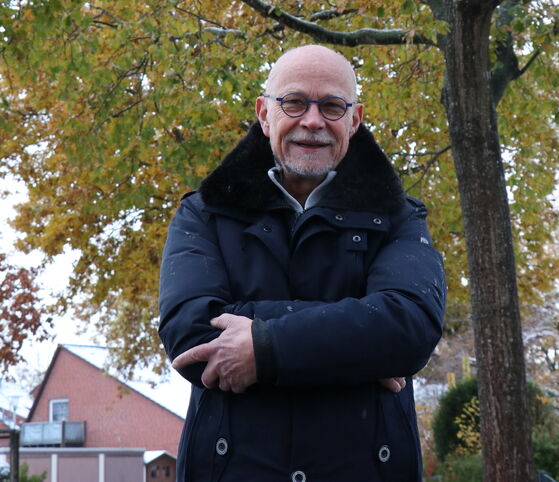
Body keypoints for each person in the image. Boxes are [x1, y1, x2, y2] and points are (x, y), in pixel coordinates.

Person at [158, 45, 447, 481]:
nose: (313, 121)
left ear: (354, 119)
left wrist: (266, 346)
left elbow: (410, 328)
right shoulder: (204, 214)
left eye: (332, 106)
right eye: (293, 102)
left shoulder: (399, 218)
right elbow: (192, 337)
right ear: (264, 113)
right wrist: (359, 343)